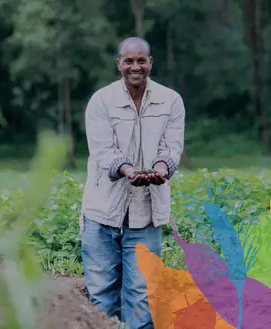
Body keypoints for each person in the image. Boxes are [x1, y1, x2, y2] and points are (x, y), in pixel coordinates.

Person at [79, 36, 185, 329]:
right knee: (102, 298)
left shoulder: (171, 100)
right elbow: (103, 151)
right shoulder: (101, 101)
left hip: (146, 214)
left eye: (141, 61)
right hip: (102, 212)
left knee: (143, 298)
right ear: (119, 64)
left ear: (150, 63)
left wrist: (161, 169)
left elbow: (171, 148)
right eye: (129, 61)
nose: (135, 67)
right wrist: (127, 170)